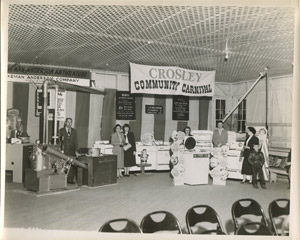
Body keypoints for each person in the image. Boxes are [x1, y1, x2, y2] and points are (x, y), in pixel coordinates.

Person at [59, 117, 79, 184]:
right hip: (64, 151)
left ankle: (70, 180)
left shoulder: (74, 131)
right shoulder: (61, 131)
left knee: (72, 165)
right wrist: (61, 149)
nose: (69, 123)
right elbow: (60, 141)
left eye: (70, 122)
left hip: (72, 151)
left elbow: (76, 141)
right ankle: (64, 179)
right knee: (64, 165)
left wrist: (76, 151)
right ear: (65, 122)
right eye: (68, 122)